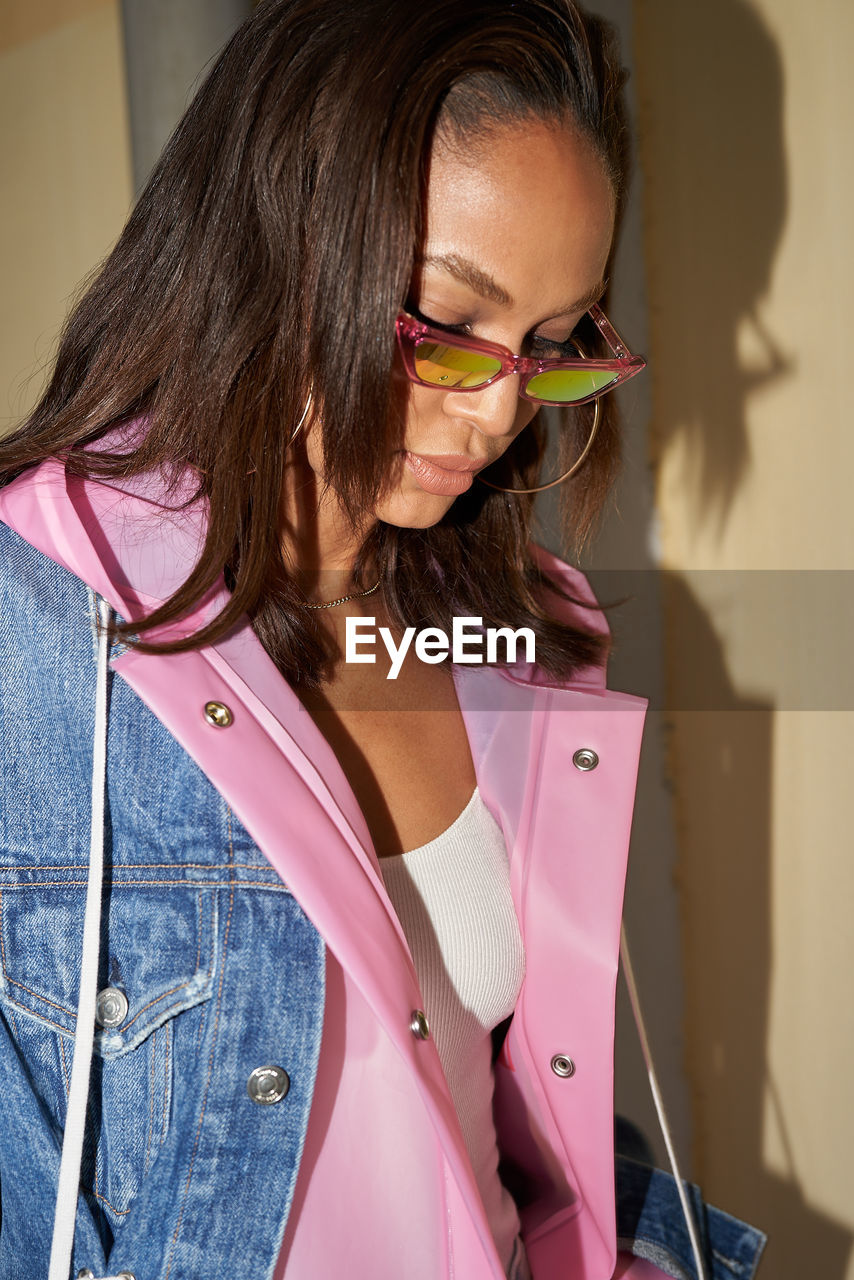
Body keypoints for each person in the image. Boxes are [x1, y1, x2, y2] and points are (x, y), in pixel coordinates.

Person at [0, 3, 766, 1279]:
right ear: (273, 236)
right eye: (446, 324)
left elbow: (480, 1112)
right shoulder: (34, 637)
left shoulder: (519, 636)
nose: (501, 408)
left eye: (551, 343)